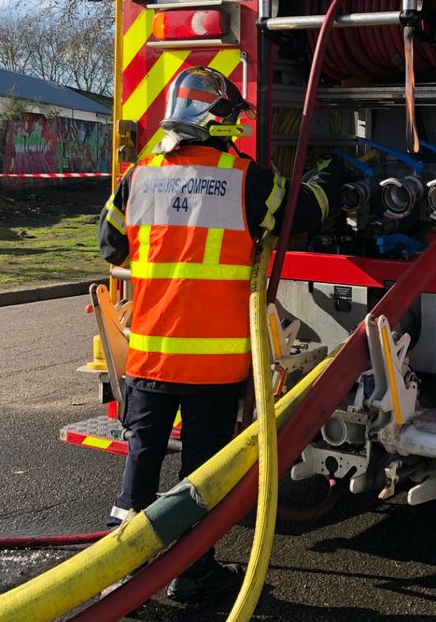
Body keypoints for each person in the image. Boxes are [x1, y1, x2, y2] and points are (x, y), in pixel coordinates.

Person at [98, 66, 341, 602]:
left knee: (140, 464)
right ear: (219, 119)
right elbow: (304, 214)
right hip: (211, 367)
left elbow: (110, 245)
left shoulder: (139, 176)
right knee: (200, 477)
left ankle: (117, 573)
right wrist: (330, 181)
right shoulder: (246, 178)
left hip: (149, 361)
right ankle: (193, 574)